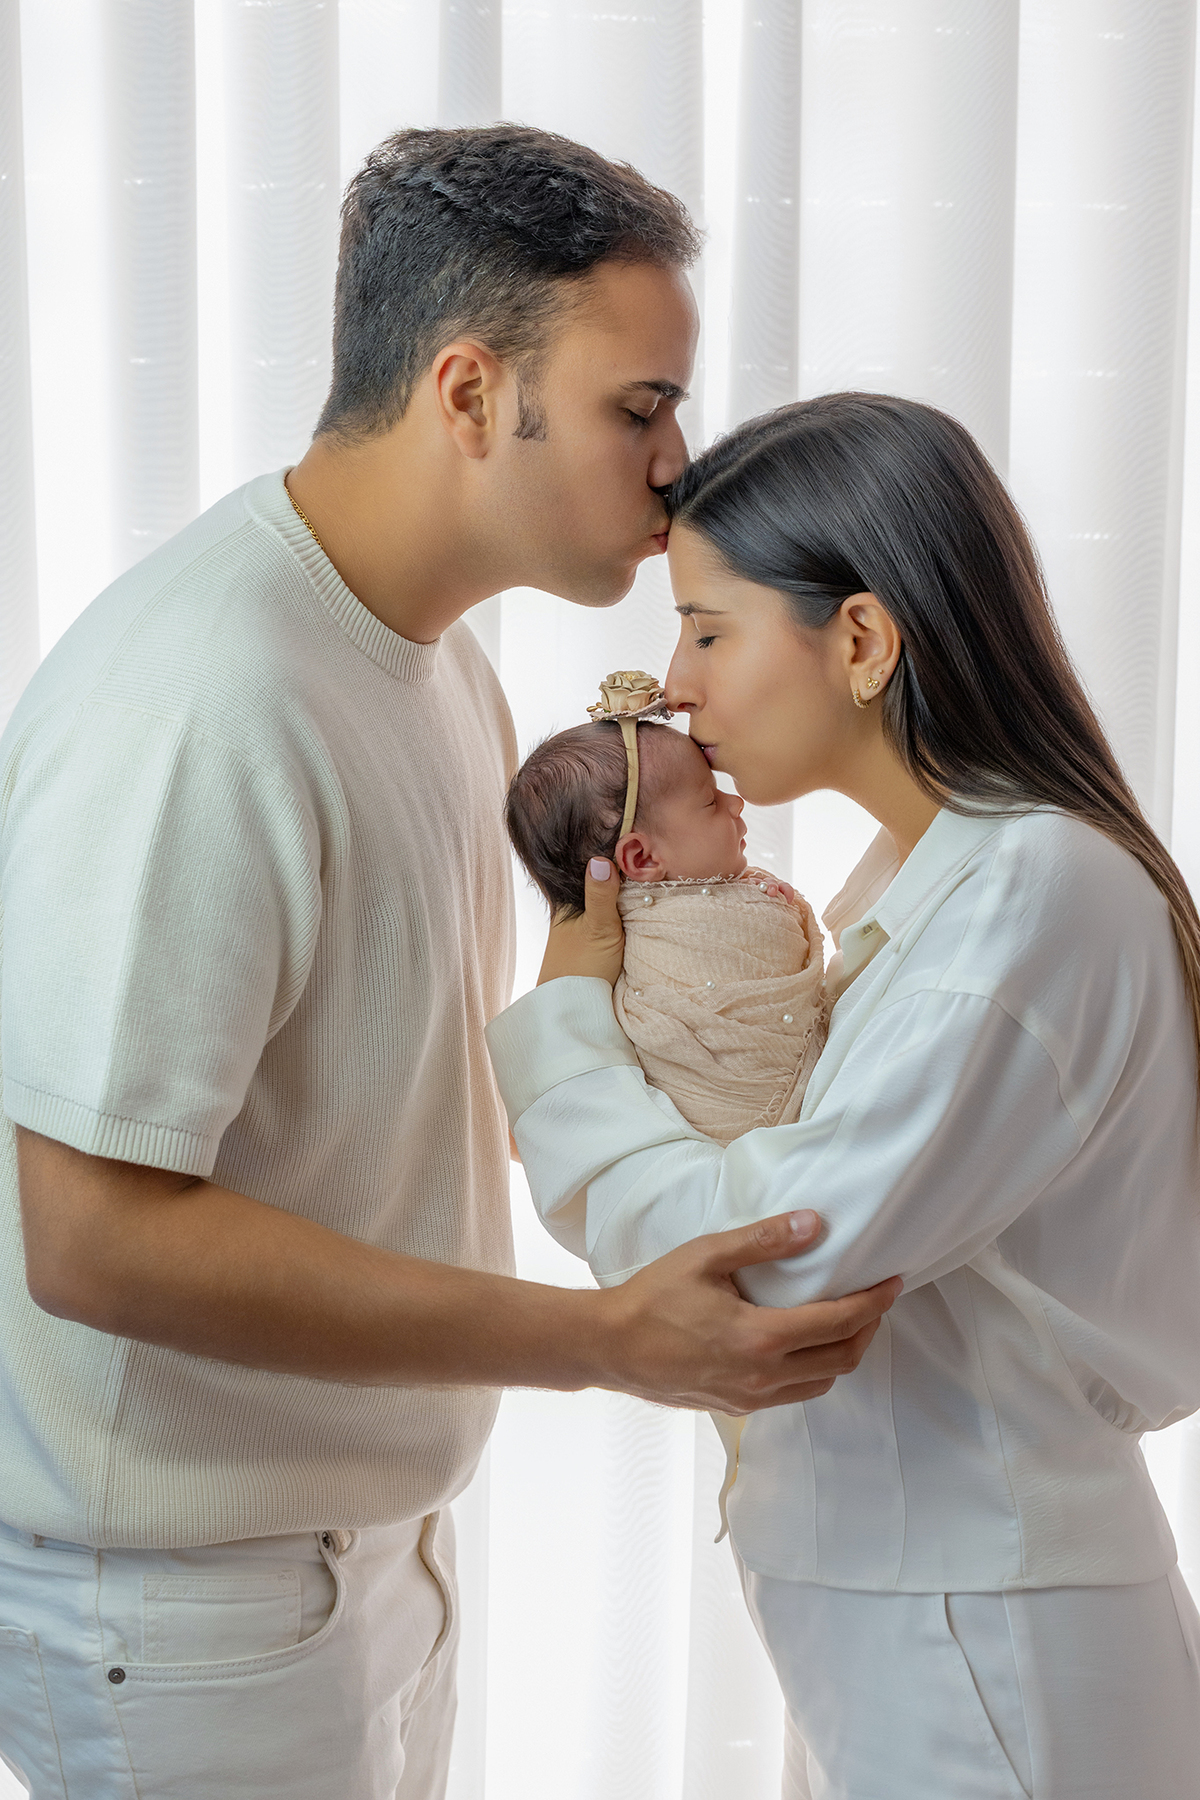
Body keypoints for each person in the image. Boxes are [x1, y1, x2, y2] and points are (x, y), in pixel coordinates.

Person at [0, 133, 899, 1799]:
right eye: (642, 407)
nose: (679, 466)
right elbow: (93, 1237)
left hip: (361, 1561)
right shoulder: (202, 697)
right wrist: (603, 1340)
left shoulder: (440, 673)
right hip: (193, 1615)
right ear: (472, 395)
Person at [485, 391, 1200, 1798]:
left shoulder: (1027, 898)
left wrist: (567, 1030)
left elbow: (756, 1268)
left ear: (861, 640)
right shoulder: (921, 885)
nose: (672, 687)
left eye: (705, 627)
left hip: (976, 1619)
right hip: (931, 1599)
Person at [504, 677, 827, 1145]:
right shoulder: (645, 936)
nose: (736, 802)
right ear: (642, 859)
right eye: (710, 801)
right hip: (728, 1128)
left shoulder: (716, 888)